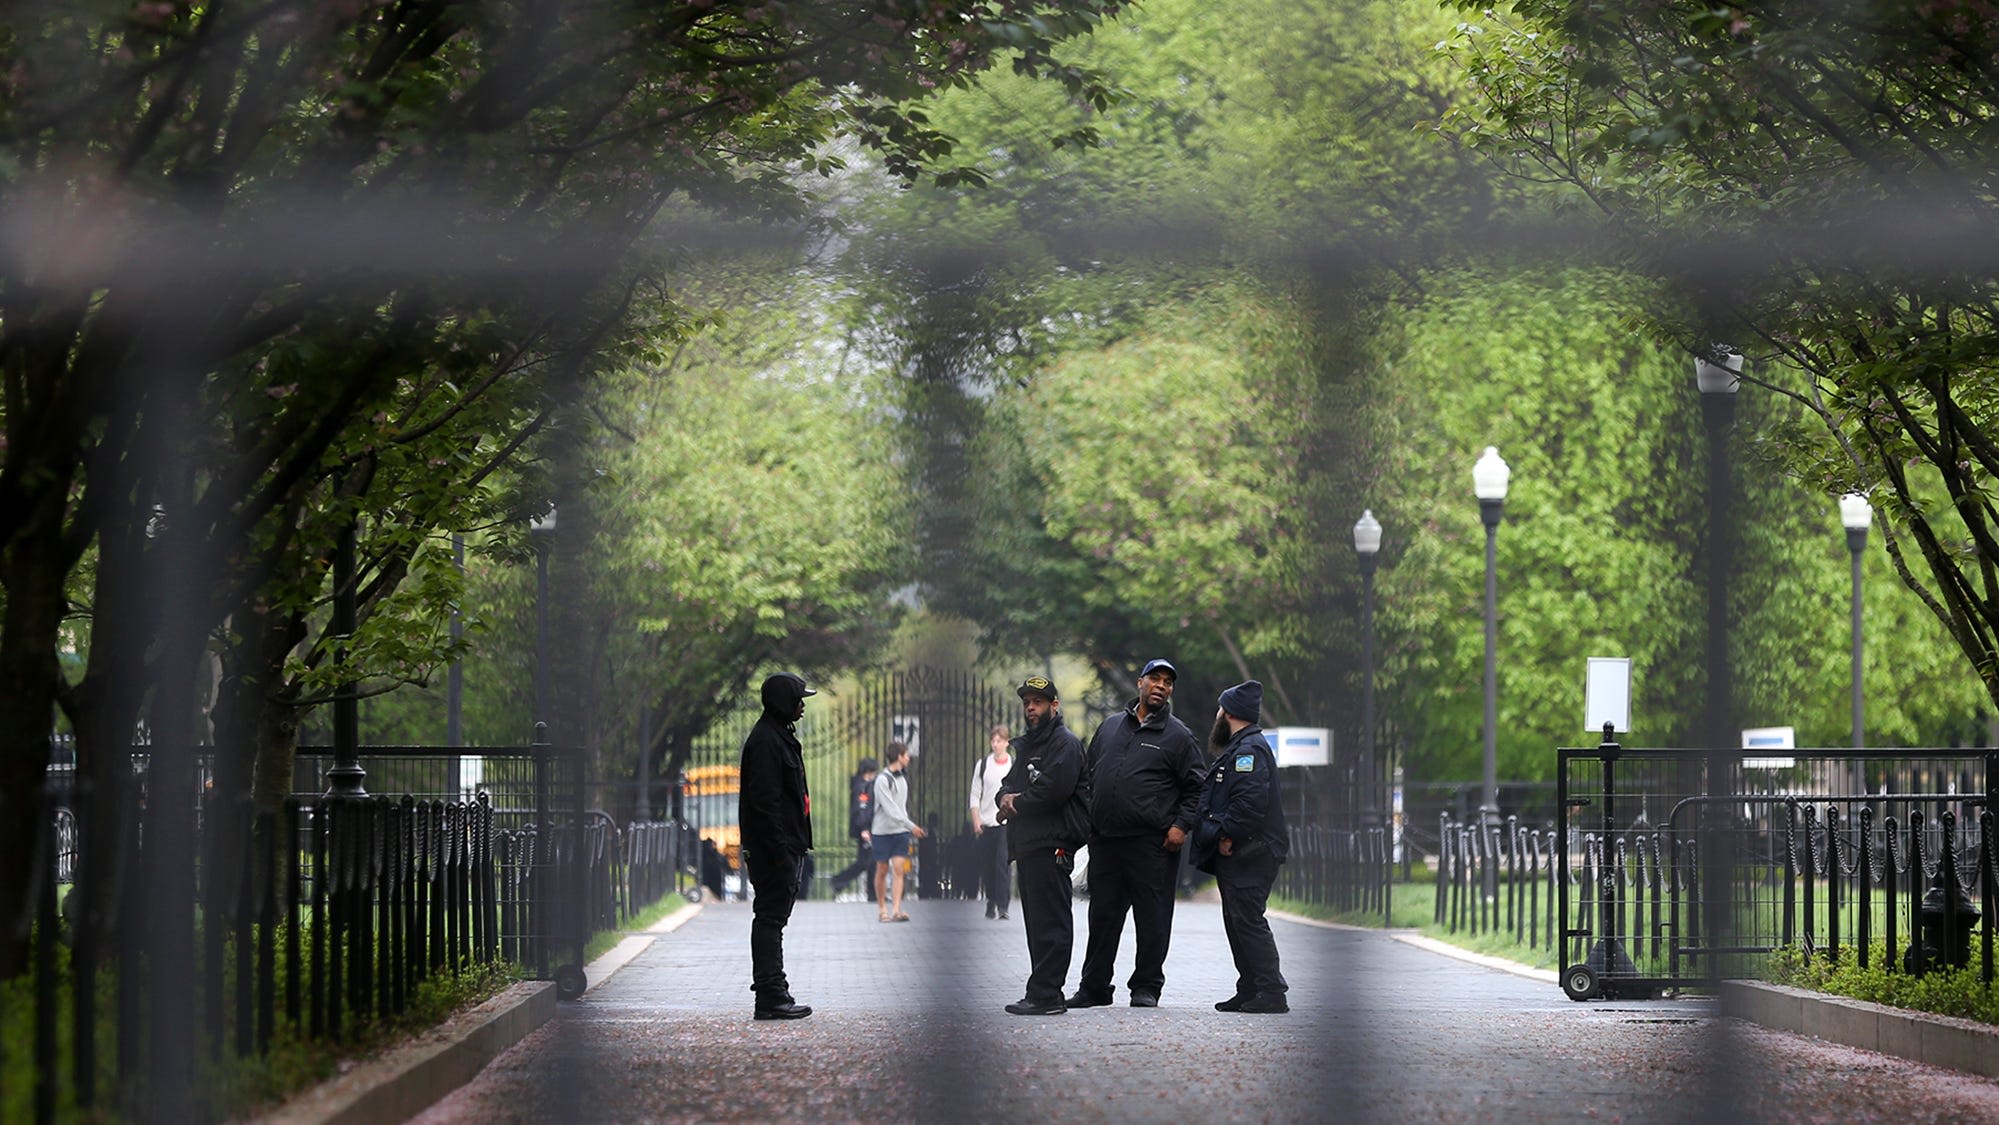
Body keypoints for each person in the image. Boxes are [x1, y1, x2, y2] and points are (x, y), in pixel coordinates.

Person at [1069, 658, 1205, 1009]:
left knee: (1153, 918)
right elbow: (1089, 774)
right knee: (1102, 917)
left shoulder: (1178, 736)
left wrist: (1180, 826)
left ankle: (1146, 986)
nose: (1161, 686)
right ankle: (1095, 986)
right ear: (1140, 683)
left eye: (1168, 682)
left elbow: (1196, 788)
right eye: (1155, 679)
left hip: (1153, 844)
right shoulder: (1111, 727)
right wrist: (1088, 822)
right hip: (1106, 841)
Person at [1190, 680, 1291, 1014]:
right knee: (1237, 920)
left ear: (1229, 712)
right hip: (1244, 852)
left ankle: (1271, 991)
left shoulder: (1248, 751)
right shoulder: (1242, 747)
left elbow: (1248, 804)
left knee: (1247, 919)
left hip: (1251, 853)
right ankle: (1249, 988)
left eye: (1220, 708)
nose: (1217, 714)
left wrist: (1226, 834)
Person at [995, 674, 1088, 1015]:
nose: (1030, 708)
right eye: (1026, 703)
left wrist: (1015, 803)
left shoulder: (1064, 744)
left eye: (1037, 702)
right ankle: (1040, 990)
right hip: (1029, 844)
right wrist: (1005, 797)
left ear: (1054, 705)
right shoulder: (1029, 746)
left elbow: (1052, 791)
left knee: (1051, 921)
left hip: (1054, 843)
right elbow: (1007, 784)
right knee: (1036, 922)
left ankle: (1048, 994)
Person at [738, 671, 817, 1020]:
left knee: (773, 919)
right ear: (784, 702)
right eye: (798, 700)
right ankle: (770, 994)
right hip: (775, 850)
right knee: (770, 918)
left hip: (786, 846)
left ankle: (773, 991)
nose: (802, 707)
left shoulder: (778, 736)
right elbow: (765, 804)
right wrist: (780, 851)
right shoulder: (767, 742)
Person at [871, 740, 925, 922]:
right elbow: (891, 809)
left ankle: (895, 909)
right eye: (906, 755)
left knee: (899, 869)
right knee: (882, 869)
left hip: (900, 831)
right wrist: (912, 826)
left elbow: (901, 808)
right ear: (899, 757)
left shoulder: (902, 778)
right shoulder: (882, 780)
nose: (909, 758)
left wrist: (906, 826)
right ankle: (882, 909)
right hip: (882, 832)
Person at [967, 723, 1014, 920]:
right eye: (993, 741)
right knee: (988, 866)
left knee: (1002, 864)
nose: (995, 744)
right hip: (986, 822)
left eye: (999, 741)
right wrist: (976, 819)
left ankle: (1003, 906)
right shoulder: (983, 765)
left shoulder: (1013, 765)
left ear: (1006, 743)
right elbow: (975, 794)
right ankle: (991, 900)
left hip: (1005, 823)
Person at [827, 756, 879, 901]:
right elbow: (861, 809)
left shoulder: (862, 785)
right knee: (865, 862)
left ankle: (874, 894)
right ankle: (838, 880)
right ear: (868, 771)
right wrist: (864, 828)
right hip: (865, 829)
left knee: (872, 862)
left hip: (867, 828)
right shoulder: (862, 786)